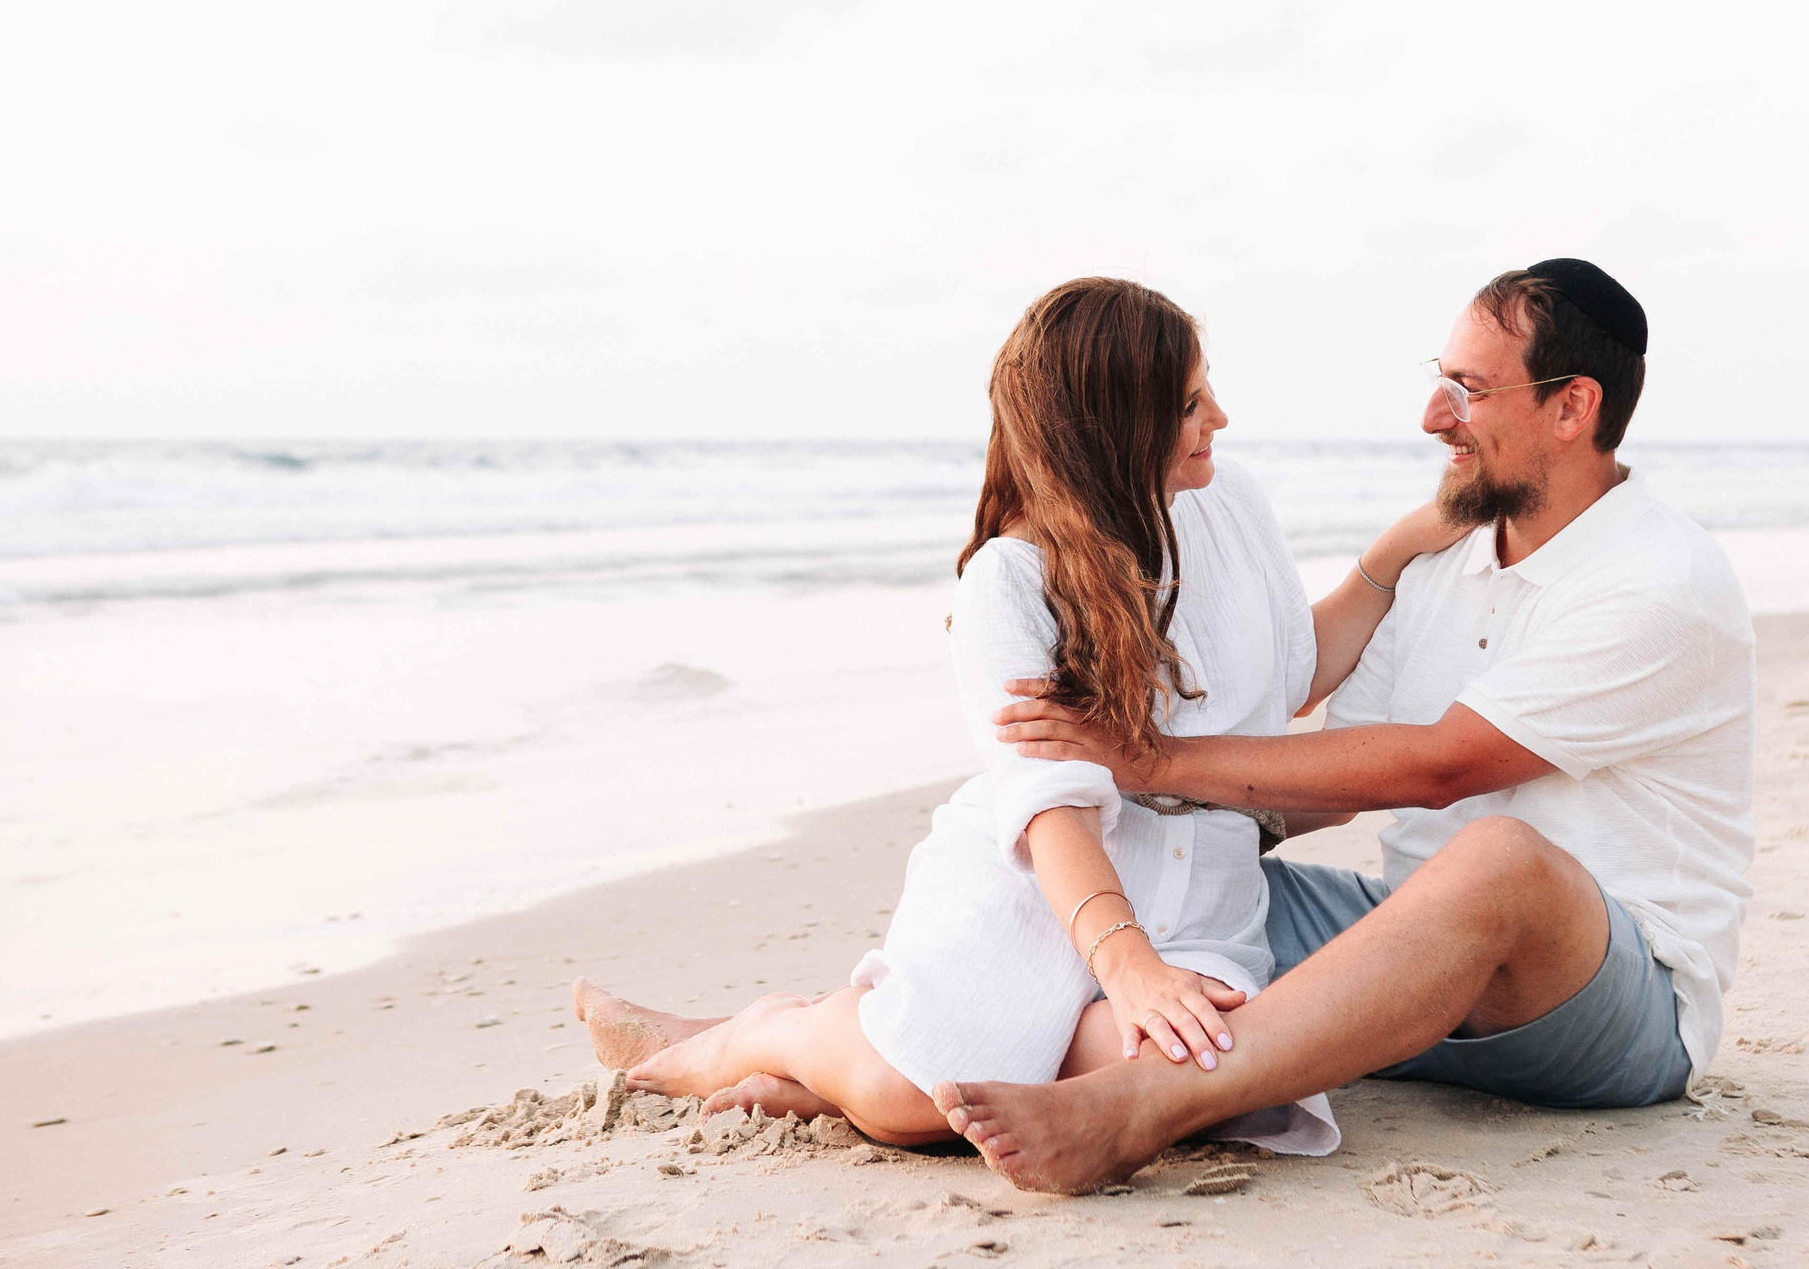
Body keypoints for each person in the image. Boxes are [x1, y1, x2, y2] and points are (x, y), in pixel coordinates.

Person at [572, 276, 1459, 1148]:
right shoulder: (1010, 578)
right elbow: (1052, 810)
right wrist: (1129, 968)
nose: (1219, 418)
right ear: (1117, 425)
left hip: (1201, 911)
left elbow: (1291, 673)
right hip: (1044, 897)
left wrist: (1400, 549)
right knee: (906, 1096)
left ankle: (843, 1072)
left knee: (1198, 1072)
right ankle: (770, 1034)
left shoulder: (1232, 503)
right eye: (1190, 404)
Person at [962, 259, 1756, 1192]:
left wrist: (1147, 760)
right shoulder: (1441, 562)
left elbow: (1435, 768)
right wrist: (1127, 812)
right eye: (1440, 380)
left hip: (1613, 1000)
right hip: (1423, 960)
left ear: (1573, 406)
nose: (1432, 416)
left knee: (1504, 861)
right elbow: (1331, 785)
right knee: (1173, 882)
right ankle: (863, 1046)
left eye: (1468, 389)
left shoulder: (1661, 579)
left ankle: (1141, 1105)